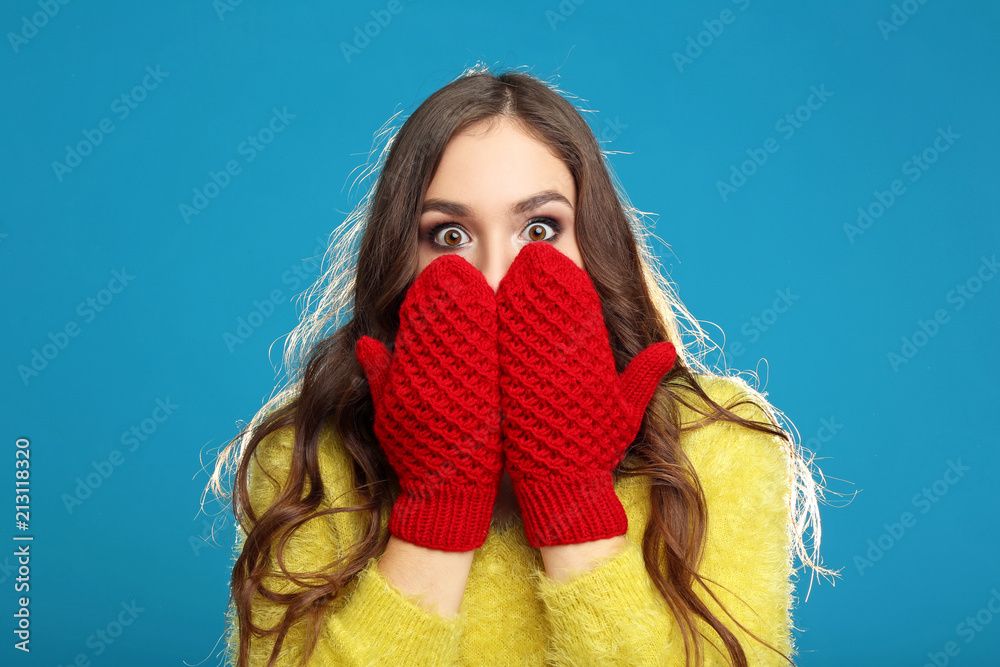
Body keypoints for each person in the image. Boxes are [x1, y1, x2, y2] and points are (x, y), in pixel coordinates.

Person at [208, 64, 838, 667]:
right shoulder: (309, 454)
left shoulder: (716, 439)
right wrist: (437, 507)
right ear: (400, 259)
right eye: (449, 236)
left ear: (595, 246)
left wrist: (571, 494)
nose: (497, 277)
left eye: (539, 231)